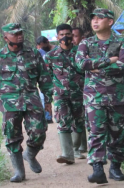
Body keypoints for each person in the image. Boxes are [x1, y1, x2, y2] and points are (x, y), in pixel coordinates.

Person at [0, 23, 53, 183]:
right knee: (12, 136)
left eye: (20, 32)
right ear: (6, 38)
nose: (19, 36)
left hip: (31, 99)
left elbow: (44, 77)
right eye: (15, 34)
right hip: (9, 103)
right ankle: (19, 172)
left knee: (39, 131)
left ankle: (30, 154)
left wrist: (48, 100)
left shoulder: (33, 54)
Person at [75, 8, 124, 184]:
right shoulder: (86, 43)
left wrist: (96, 68)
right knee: (96, 132)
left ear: (110, 22)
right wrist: (109, 60)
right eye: (94, 18)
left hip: (118, 97)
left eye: (100, 18)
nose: (95, 21)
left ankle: (115, 167)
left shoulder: (122, 41)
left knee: (118, 133)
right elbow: (80, 63)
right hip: (94, 98)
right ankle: (98, 169)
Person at [44, 24, 86, 164]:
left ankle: (75, 149)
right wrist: (49, 97)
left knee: (78, 123)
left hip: (79, 94)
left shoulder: (80, 53)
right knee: (63, 121)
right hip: (60, 95)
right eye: (62, 35)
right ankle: (67, 154)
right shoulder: (51, 56)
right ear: (57, 37)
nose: (65, 37)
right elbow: (48, 77)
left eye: (68, 34)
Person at [72, 27, 88, 153]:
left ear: (82, 38)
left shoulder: (86, 51)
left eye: (75, 36)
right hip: (72, 91)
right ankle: (78, 146)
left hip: (87, 90)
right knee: (77, 118)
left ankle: (83, 145)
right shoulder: (68, 52)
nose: (72, 39)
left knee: (83, 118)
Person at [36, 36, 55, 124]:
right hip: (46, 79)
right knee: (44, 98)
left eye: (43, 45)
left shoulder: (56, 50)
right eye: (40, 46)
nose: (41, 47)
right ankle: (48, 117)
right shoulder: (39, 53)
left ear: (47, 42)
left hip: (58, 78)